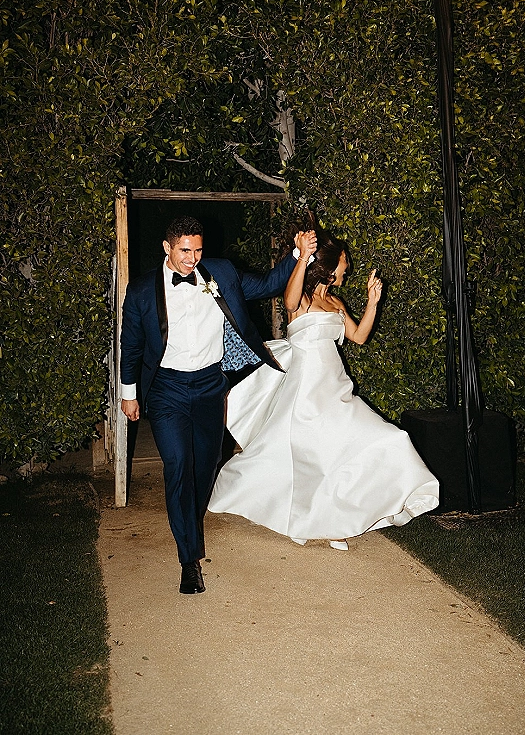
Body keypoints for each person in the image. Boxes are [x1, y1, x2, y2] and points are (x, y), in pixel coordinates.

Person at [208, 224, 439, 548]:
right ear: (329, 269)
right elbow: (288, 302)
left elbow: (358, 336)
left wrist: (373, 302)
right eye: (344, 264)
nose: (348, 269)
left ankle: (332, 519)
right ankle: (320, 524)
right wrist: (302, 257)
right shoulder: (300, 298)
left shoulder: (336, 302)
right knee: (309, 457)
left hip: (336, 387)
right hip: (304, 390)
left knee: (387, 438)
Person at [120, 215, 303, 594]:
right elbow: (132, 345)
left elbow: (269, 284)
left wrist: (299, 254)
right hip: (166, 389)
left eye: (198, 249)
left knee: (206, 466)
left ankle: (190, 518)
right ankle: (189, 559)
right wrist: (129, 393)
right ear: (167, 248)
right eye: (185, 250)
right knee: (177, 465)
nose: (193, 258)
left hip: (208, 387)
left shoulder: (220, 272)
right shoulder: (140, 291)